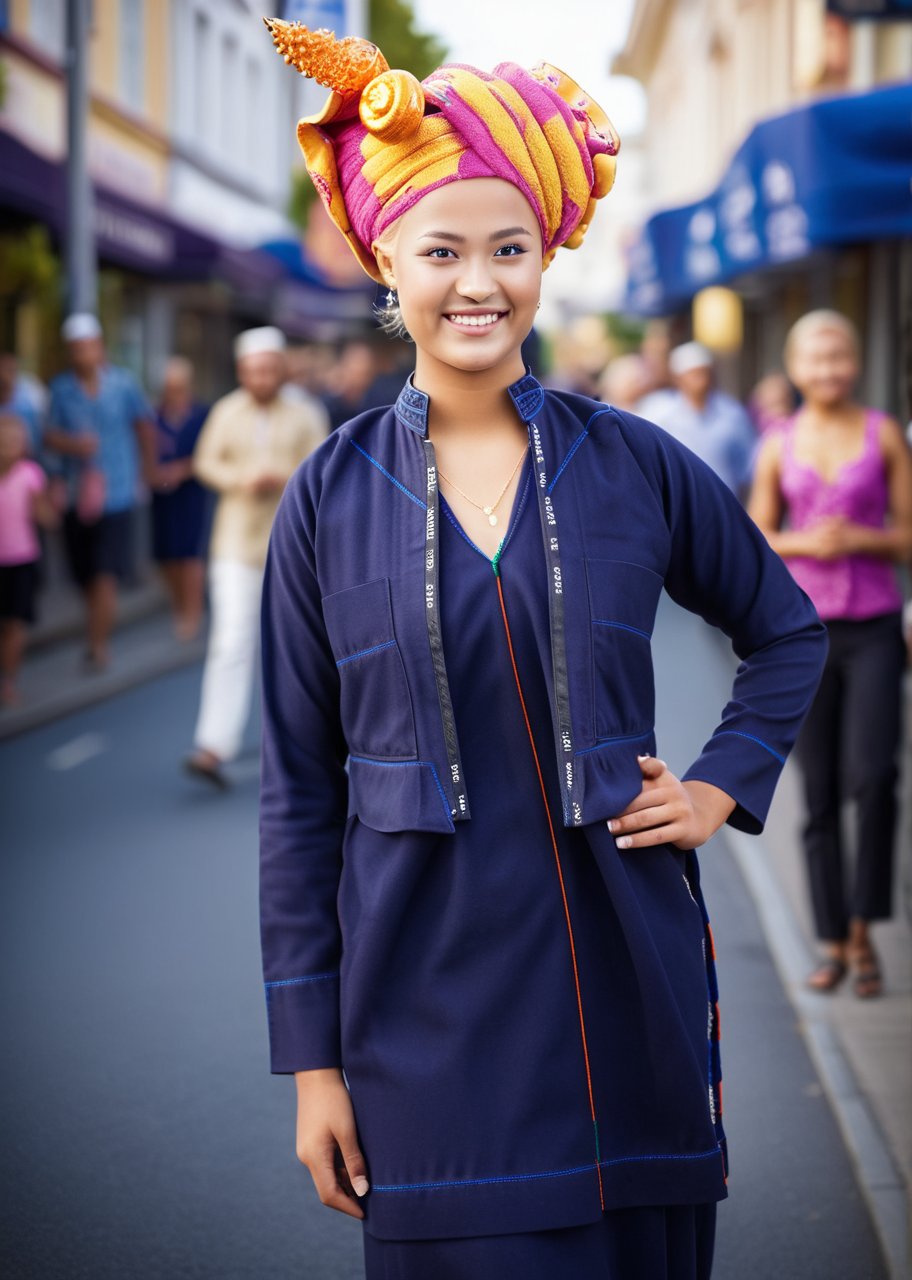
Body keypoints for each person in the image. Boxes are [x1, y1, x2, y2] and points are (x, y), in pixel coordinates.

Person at [259, 21, 828, 1278]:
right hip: (421, 1033)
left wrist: (723, 781)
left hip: (632, 1004)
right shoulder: (328, 495)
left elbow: (786, 629)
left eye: (509, 249)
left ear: (545, 258)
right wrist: (312, 1063)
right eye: (442, 249)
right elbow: (298, 794)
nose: (480, 281)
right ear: (385, 262)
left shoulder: (631, 461)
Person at [748, 310, 912, 999]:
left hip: (874, 625)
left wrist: (860, 541)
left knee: (874, 779)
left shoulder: (885, 435)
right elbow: (756, 534)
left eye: (839, 354)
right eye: (814, 358)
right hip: (806, 634)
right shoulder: (778, 443)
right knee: (816, 793)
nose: (828, 369)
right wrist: (805, 544)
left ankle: (865, 927)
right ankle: (830, 936)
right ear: (795, 365)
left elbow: (906, 536)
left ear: (854, 361)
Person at [185, 326, 326, 788]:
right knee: (231, 643)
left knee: (299, 649)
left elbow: (324, 468)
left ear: (281, 369)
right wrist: (241, 478)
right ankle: (212, 745)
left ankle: (304, 751)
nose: (261, 377)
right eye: (253, 371)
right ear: (242, 372)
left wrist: (282, 476)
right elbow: (205, 462)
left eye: (269, 369)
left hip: (295, 548)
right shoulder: (226, 411)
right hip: (235, 546)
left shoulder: (306, 413)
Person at [43, 314, 157, 670]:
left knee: (106, 573)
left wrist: (148, 469)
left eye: (89, 347)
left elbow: (144, 426)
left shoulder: (122, 384)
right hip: (77, 496)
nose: (84, 355)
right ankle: (95, 625)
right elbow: (48, 436)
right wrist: (74, 445)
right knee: (84, 574)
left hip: (117, 492)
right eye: (76, 350)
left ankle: (98, 645)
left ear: (100, 347)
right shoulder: (61, 389)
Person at [637, 342, 757, 496]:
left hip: (723, 504)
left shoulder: (732, 413)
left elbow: (747, 467)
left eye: (704, 373)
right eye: (693, 374)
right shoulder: (657, 412)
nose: (700, 380)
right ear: (677, 378)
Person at [149, 357, 211, 641]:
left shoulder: (202, 414)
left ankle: (192, 613)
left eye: (179, 387)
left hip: (190, 493)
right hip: (161, 494)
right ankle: (177, 606)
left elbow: (210, 453)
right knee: (166, 555)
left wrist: (181, 470)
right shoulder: (155, 416)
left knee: (189, 555)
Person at [0, 413, 59, 704]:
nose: (11, 446)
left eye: (17, 441)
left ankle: (8, 681)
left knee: (15, 623)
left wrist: (50, 508)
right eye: (6, 440)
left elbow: (45, 517)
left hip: (22, 559)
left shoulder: (30, 474)